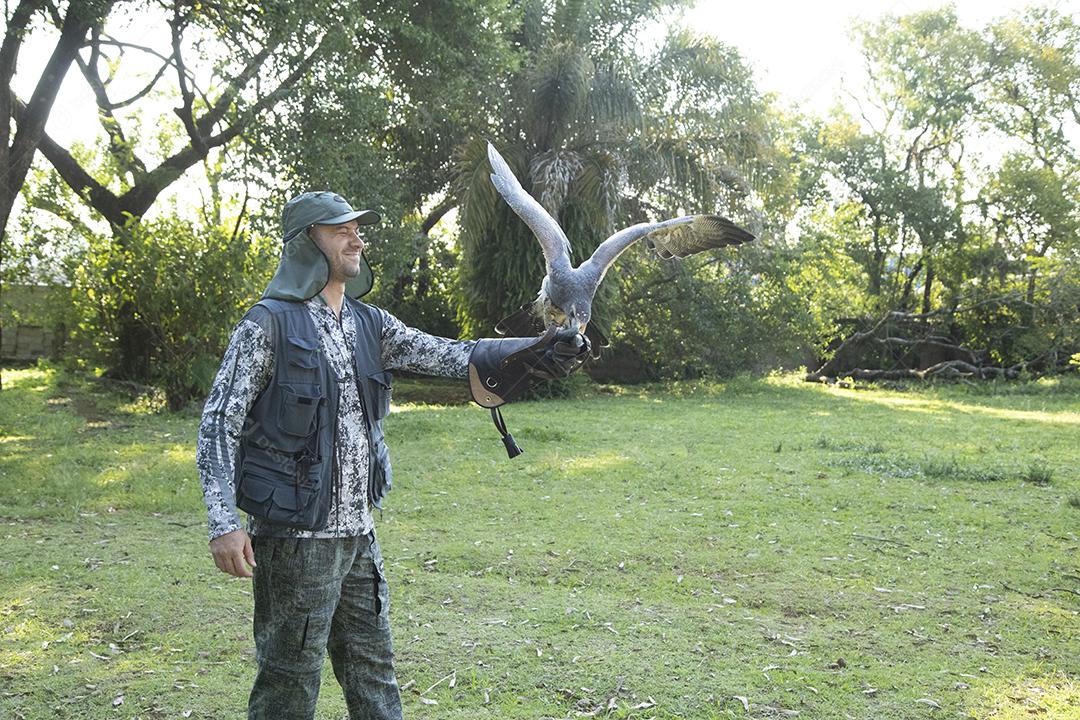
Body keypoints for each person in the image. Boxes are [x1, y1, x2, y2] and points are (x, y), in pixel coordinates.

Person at [196, 191, 588, 720]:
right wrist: (224, 522)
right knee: (288, 684)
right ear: (305, 242)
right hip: (294, 540)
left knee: (374, 674)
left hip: (360, 536)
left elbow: (446, 353)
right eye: (341, 231)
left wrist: (537, 348)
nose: (357, 239)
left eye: (358, 228)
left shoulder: (370, 323)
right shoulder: (266, 326)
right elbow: (219, 424)